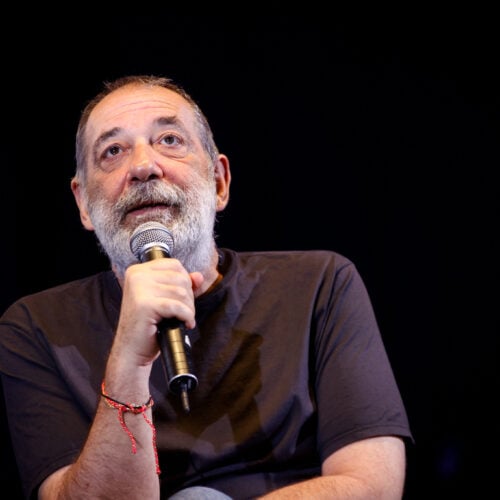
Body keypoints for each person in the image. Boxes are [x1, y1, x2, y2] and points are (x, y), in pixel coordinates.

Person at [0, 74, 413, 499]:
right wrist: (128, 364)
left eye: (170, 140)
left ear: (219, 182)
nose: (143, 166)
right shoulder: (37, 326)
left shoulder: (319, 284)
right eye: (113, 151)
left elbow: (373, 485)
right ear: (84, 204)